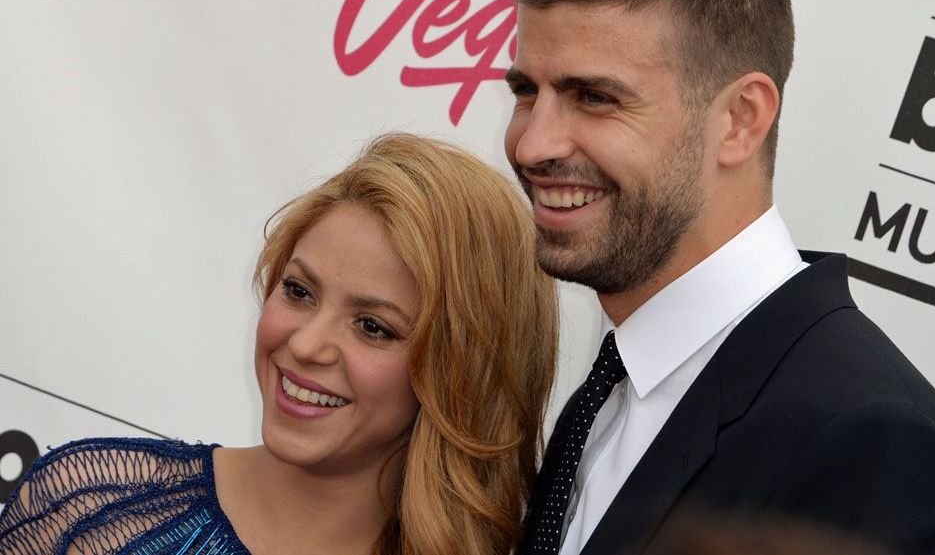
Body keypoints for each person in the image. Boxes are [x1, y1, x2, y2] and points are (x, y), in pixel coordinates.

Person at [498, 0, 935, 555]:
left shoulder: (876, 443)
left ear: (740, 119)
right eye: (527, 92)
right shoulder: (607, 389)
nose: (533, 145)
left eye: (595, 98)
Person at [0, 133, 559, 555]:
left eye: (372, 326)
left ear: (462, 372)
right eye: (299, 291)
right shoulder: (90, 510)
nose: (308, 344)